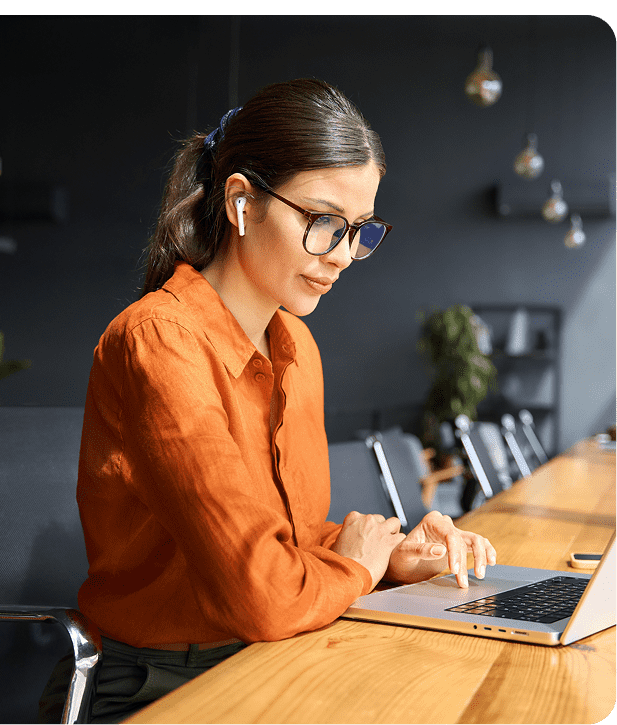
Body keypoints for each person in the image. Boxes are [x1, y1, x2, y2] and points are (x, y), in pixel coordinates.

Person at [38, 78, 497, 724]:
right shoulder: (158, 341)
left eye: (357, 230)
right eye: (321, 222)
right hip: (157, 686)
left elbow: (287, 542)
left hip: (267, 656)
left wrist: (387, 556)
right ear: (241, 202)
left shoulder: (295, 348)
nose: (340, 256)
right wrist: (357, 570)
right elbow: (260, 593)